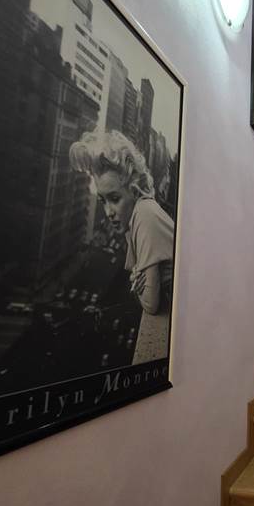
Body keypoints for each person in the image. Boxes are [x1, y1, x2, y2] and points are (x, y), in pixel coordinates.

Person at [69, 130, 174, 365]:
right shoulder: (137, 218)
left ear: (134, 191)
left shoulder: (145, 216)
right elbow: (138, 281)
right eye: (103, 201)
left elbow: (151, 304)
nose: (108, 212)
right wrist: (139, 280)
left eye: (115, 199)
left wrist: (139, 282)